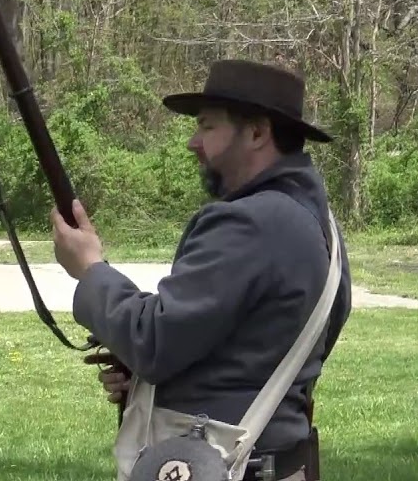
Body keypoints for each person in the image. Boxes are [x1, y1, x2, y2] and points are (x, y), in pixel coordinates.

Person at [49, 60, 353, 481]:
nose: (194, 142)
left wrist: (90, 269)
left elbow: (152, 339)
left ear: (257, 132)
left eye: (208, 126)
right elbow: (261, 347)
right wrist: (147, 378)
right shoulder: (318, 223)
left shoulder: (251, 221)